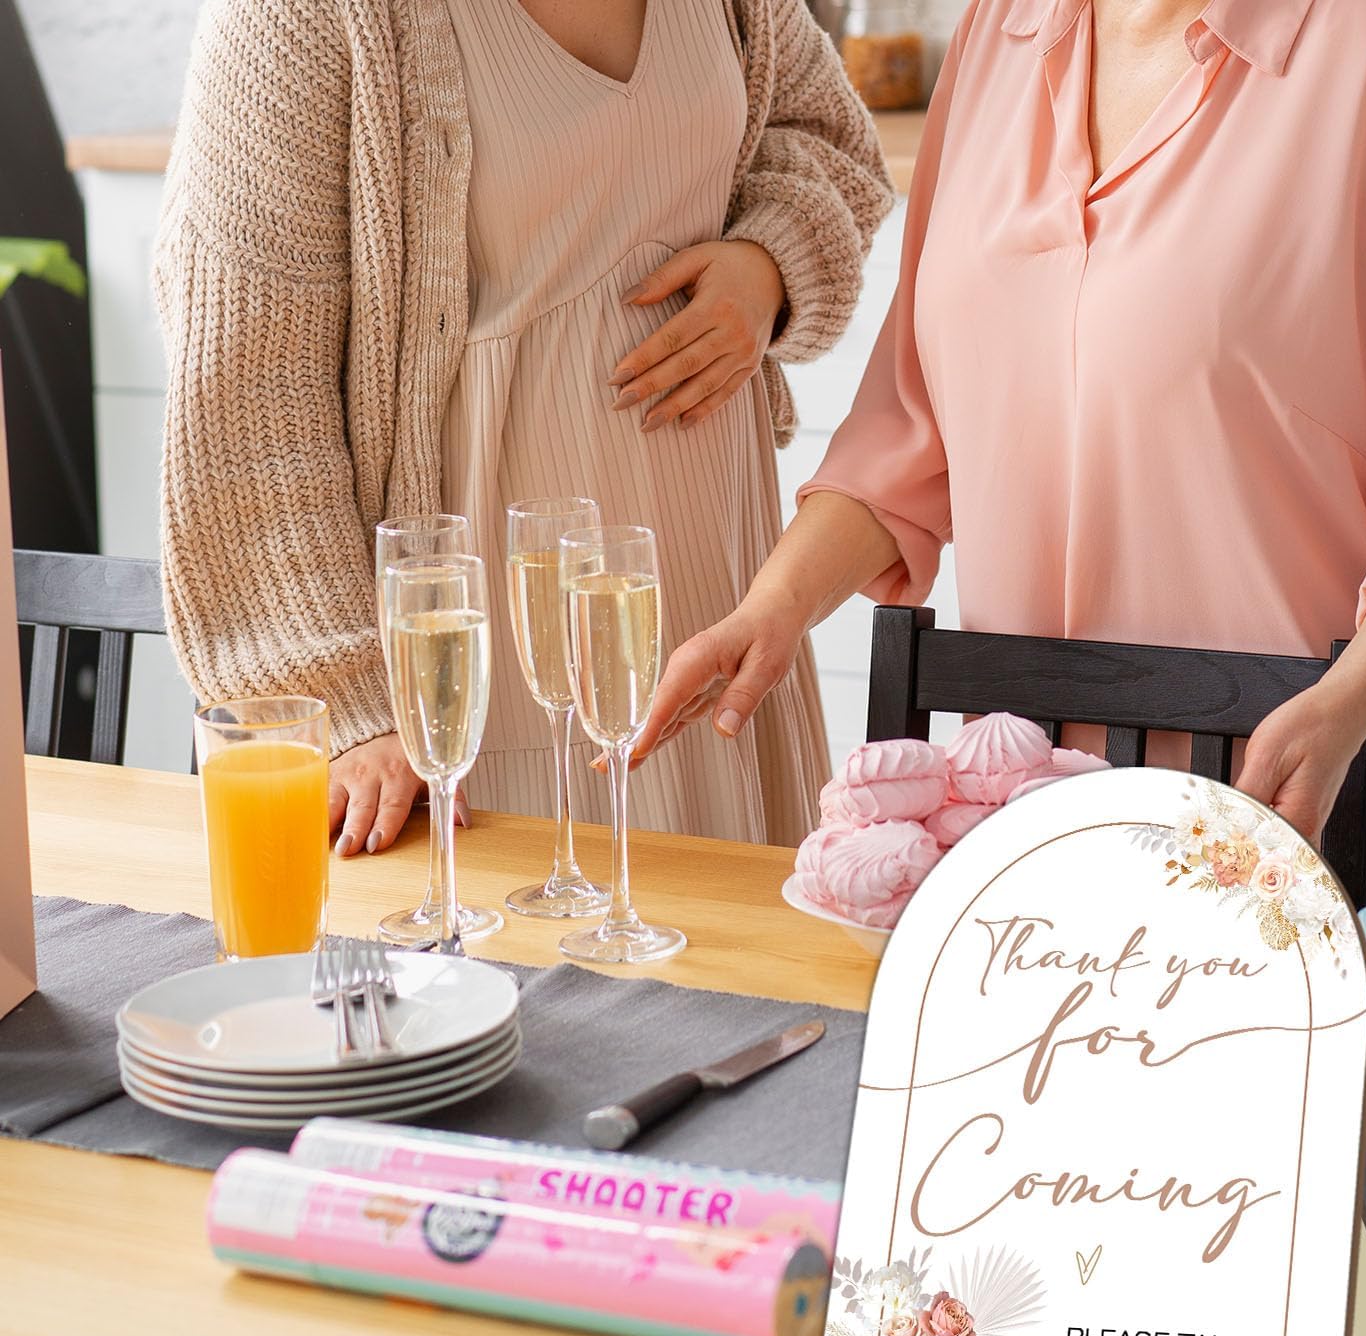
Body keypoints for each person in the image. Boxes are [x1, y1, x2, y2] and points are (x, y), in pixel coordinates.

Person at [638, 0, 1366, 888]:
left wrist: (1342, 710)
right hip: (1034, 837)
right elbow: (910, 432)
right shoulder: (1001, 31)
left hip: (1308, 807)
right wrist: (772, 610)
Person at [155, 0, 893, 852]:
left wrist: (770, 264)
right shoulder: (299, 18)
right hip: (487, 665)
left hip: (721, 612)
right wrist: (345, 704)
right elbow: (247, 398)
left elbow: (829, 140)